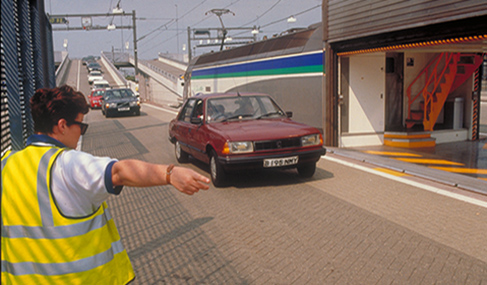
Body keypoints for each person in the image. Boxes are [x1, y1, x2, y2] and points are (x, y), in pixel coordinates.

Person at [1, 85, 210, 284]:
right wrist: (170, 174)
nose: (82, 133)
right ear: (62, 125)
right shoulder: (67, 163)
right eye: (81, 126)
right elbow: (120, 172)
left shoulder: (6, 164)